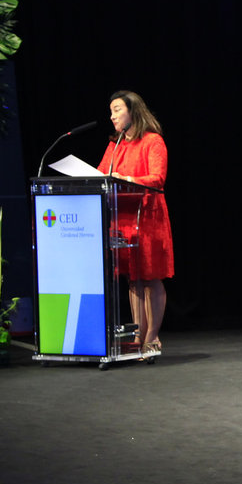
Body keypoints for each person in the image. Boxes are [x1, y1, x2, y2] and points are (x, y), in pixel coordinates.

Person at [100, 90, 174, 355]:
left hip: (148, 217)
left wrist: (129, 180)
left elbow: (158, 178)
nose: (112, 116)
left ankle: (152, 339)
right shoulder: (116, 144)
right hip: (123, 219)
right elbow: (101, 177)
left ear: (133, 111)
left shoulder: (152, 141)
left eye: (117, 109)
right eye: (111, 111)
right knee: (133, 279)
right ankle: (137, 338)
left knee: (150, 277)